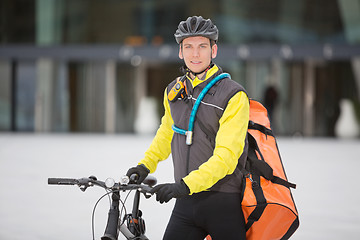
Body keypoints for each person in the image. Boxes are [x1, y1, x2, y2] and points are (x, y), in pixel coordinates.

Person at [126, 16, 249, 240]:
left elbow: (227, 157)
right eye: (188, 47)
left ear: (214, 50)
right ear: (180, 51)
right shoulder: (174, 91)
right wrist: (145, 165)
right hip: (186, 203)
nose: (195, 54)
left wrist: (184, 186)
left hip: (222, 202)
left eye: (202, 46)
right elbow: (167, 133)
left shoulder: (233, 95)